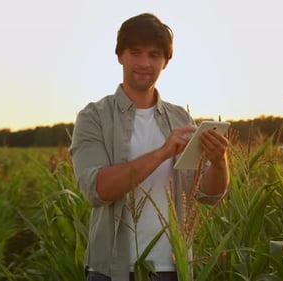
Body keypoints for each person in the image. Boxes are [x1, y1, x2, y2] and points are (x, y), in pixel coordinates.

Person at [69, 13, 229, 281]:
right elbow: (97, 189)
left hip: (171, 269)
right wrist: (163, 152)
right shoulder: (93, 117)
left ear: (166, 62)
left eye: (154, 55)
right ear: (120, 56)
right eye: (135, 52)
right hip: (112, 269)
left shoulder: (181, 119)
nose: (144, 63)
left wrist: (219, 161)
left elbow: (206, 195)